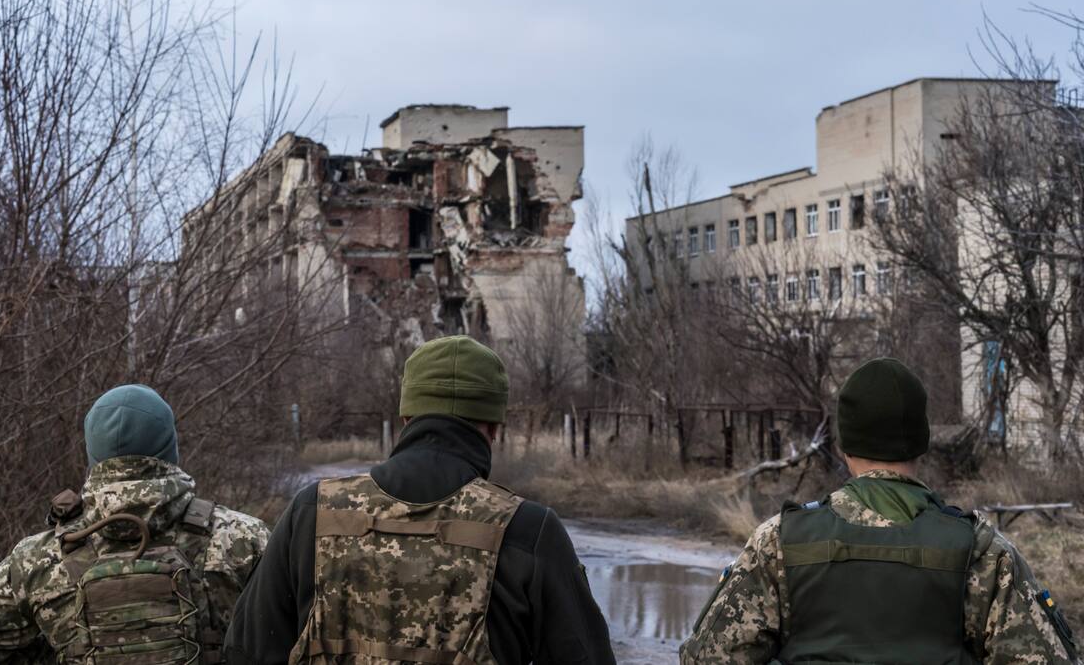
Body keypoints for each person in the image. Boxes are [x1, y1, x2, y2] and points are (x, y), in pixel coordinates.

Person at [225, 335, 615, 665]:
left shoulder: (312, 512)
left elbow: (247, 651)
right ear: (495, 428)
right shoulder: (528, 529)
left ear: (406, 417)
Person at [680, 357, 1078, 664]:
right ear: (920, 443)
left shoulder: (778, 544)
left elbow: (707, 657)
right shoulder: (983, 553)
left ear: (843, 445)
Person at [0, 384, 271, 664]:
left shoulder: (37, 558)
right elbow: (299, 633)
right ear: (169, 445)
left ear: (93, 452)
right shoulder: (241, 537)